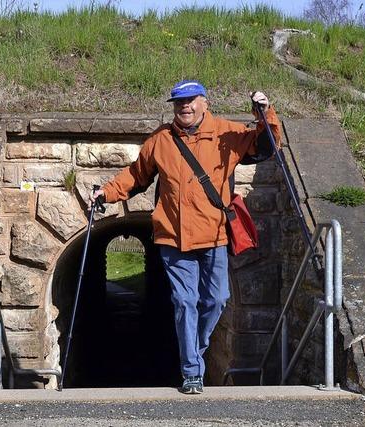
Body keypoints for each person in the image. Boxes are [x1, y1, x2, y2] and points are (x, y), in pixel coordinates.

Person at [89, 79, 282, 394]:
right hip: (173, 238)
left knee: (217, 299)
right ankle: (192, 370)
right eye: (179, 102)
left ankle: (197, 346)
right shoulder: (161, 140)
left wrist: (264, 113)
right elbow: (136, 176)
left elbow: (267, 146)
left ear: (205, 102)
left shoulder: (227, 133)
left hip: (214, 234)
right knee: (184, 301)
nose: (185, 107)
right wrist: (106, 193)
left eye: (191, 100)